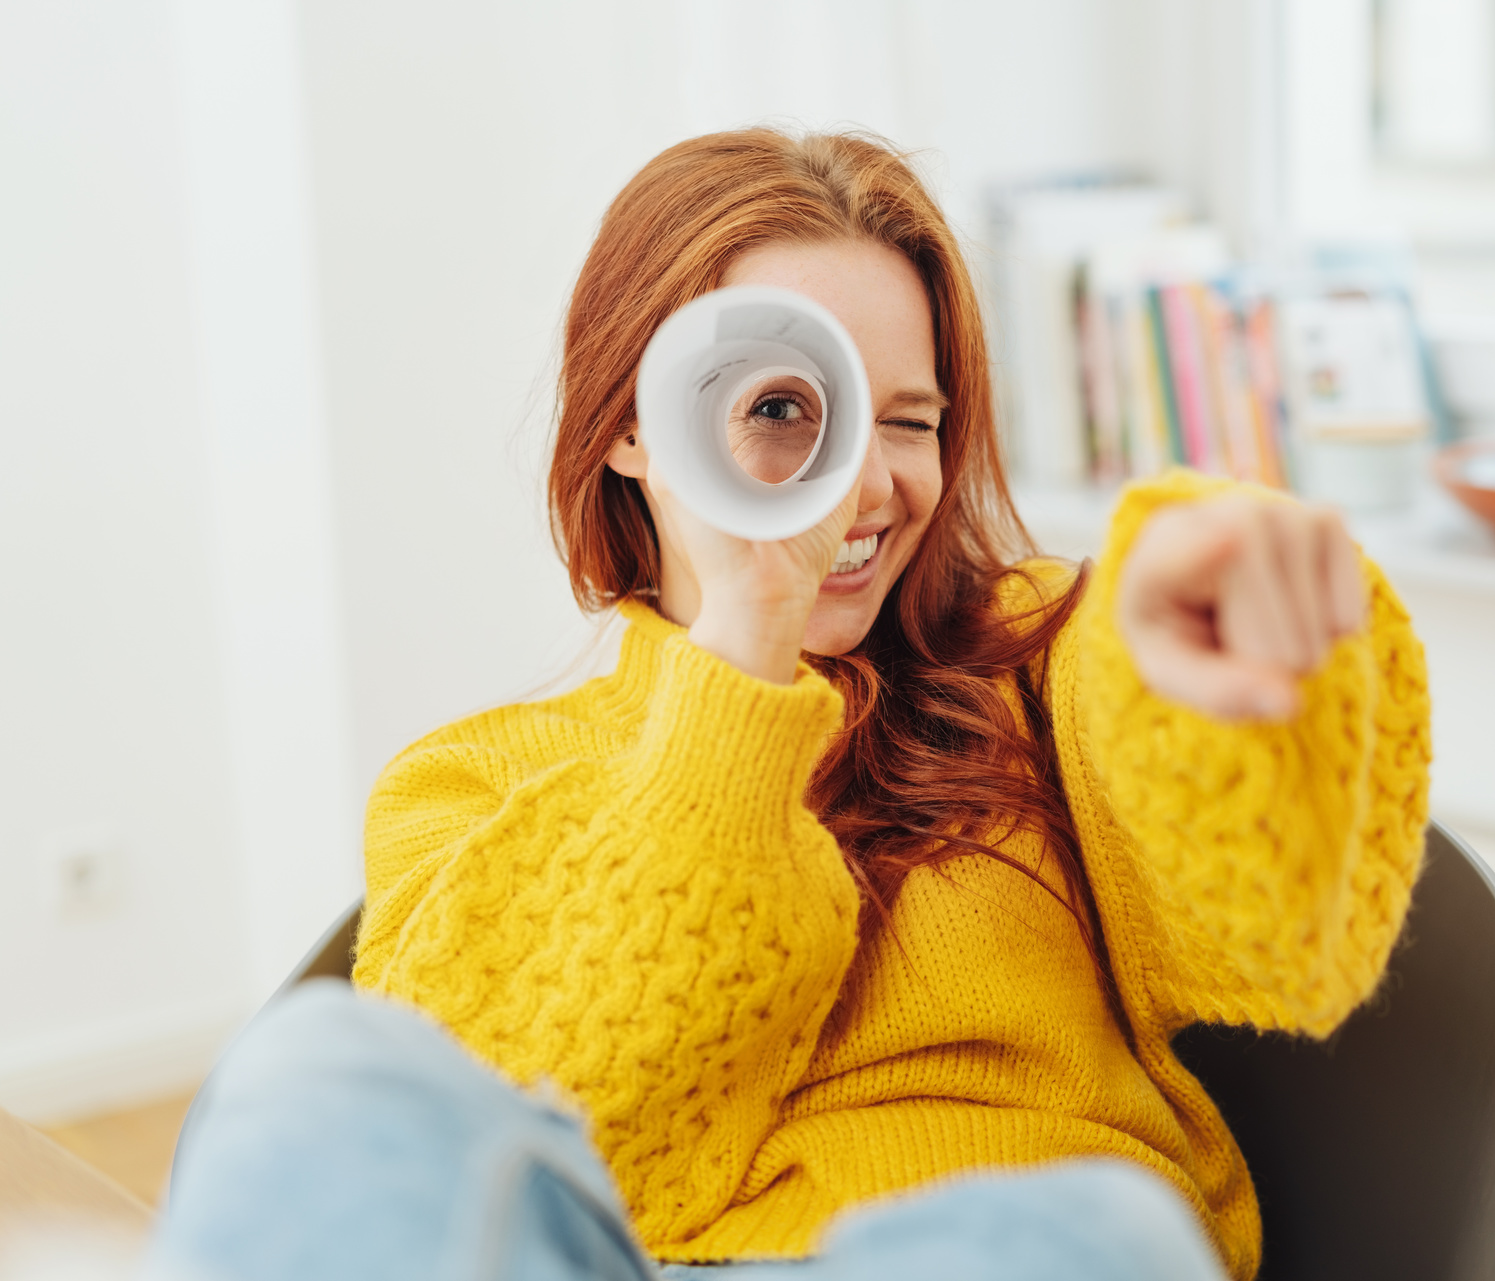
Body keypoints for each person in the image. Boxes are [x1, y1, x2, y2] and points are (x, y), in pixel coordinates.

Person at [154, 129, 1430, 1281]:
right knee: (307, 1075)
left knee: (1081, 1232)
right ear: (633, 430)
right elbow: (549, 1135)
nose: (864, 485)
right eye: (783, 411)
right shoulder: (473, 783)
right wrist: (748, 634)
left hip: (1014, 1244)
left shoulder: (1035, 668)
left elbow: (1272, 925)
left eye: (912, 423)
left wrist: (1218, 627)